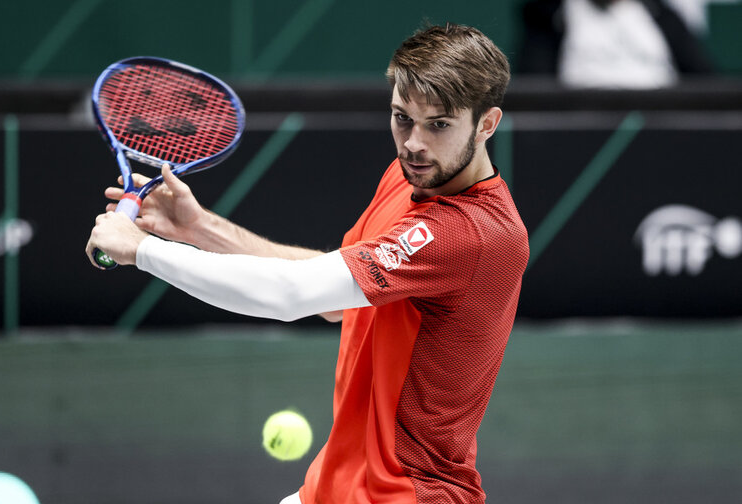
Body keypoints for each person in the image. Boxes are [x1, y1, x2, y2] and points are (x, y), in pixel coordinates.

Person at [86, 23, 529, 504]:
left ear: (487, 123)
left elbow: (291, 294)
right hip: (337, 486)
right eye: (403, 119)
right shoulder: (410, 178)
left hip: (407, 493)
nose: (414, 143)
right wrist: (199, 229)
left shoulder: (470, 233)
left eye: (438, 124)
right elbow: (331, 294)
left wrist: (142, 250)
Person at [517, 0, 715, 89]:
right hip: (581, 128)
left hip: (662, 128)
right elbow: (534, 84)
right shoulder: (549, 15)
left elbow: (705, 80)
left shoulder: (662, 15)